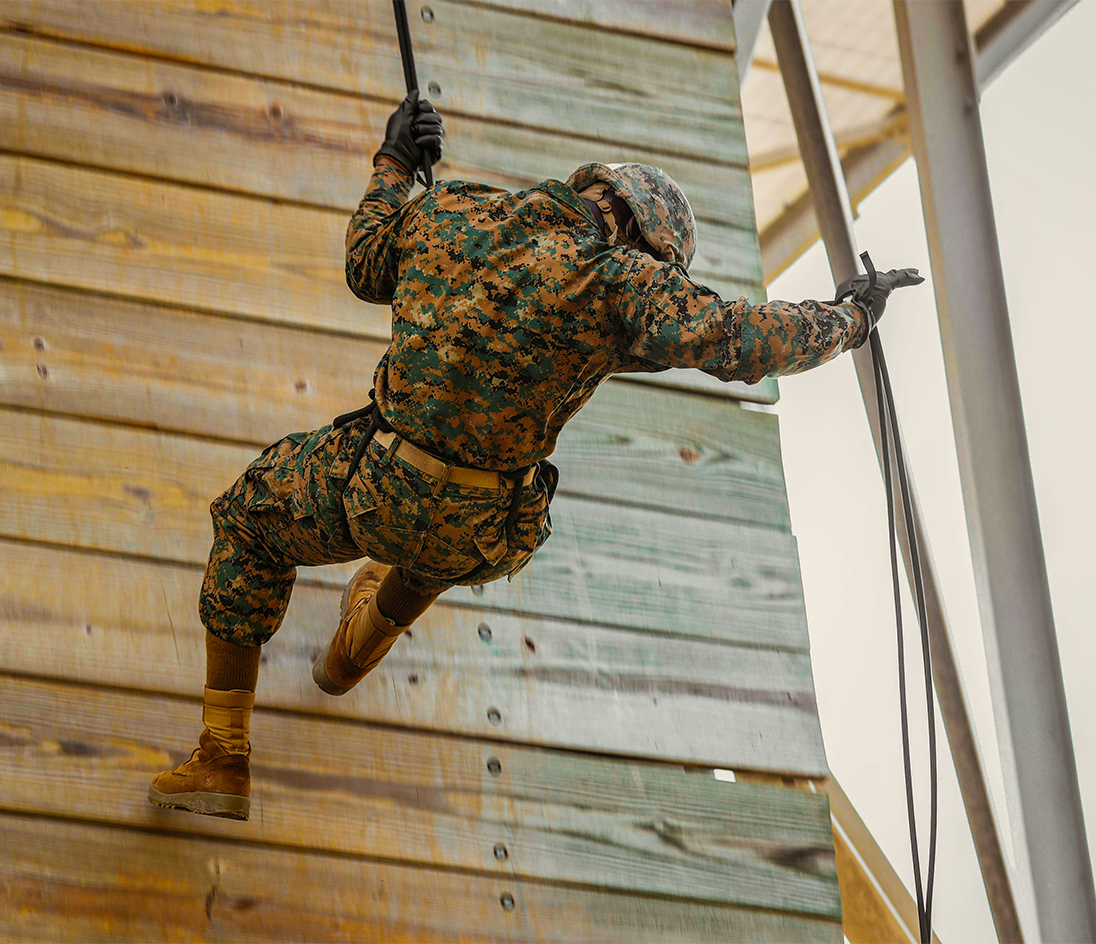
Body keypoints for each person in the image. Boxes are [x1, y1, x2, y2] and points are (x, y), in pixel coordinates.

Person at [148, 93, 924, 820]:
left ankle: (224, 754)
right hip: (489, 529)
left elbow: (365, 265)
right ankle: (357, 648)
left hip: (378, 485)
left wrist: (392, 164)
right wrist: (850, 318)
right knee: (449, 533)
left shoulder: (454, 210)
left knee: (252, 518)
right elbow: (743, 338)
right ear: (636, 234)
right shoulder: (624, 284)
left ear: (595, 190)